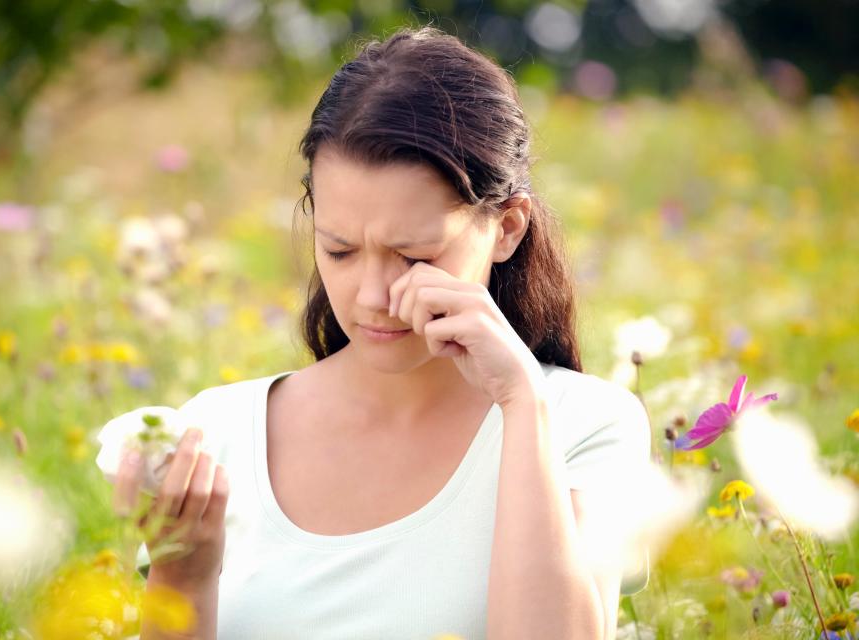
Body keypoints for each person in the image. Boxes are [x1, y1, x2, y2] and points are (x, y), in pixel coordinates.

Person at [110, 25, 651, 640]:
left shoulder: (583, 423)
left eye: (414, 256)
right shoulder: (217, 435)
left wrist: (522, 403)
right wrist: (183, 579)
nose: (371, 297)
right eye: (339, 251)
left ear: (506, 227)